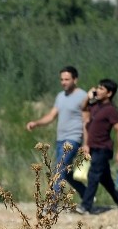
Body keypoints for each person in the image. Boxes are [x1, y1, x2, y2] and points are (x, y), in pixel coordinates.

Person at [25, 65, 87, 202]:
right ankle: (87, 194)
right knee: (66, 172)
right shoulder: (60, 96)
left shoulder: (83, 96)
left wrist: (86, 143)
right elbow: (52, 115)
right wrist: (36, 123)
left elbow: (86, 120)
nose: (64, 82)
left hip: (73, 138)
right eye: (61, 79)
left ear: (75, 80)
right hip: (60, 139)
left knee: (59, 169)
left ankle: (52, 203)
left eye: (67, 79)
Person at [76, 78, 118, 215]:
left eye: (101, 89)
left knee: (93, 175)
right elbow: (83, 109)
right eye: (97, 88)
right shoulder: (95, 106)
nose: (97, 90)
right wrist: (88, 97)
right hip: (93, 147)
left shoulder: (111, 110)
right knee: (106, 180)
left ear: (109, 93)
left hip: (103, 148)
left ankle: (85, 205)